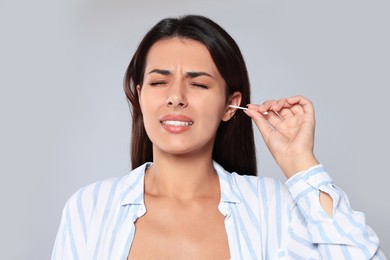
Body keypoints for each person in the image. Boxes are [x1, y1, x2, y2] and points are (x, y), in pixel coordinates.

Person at [52, 15, 386, 259]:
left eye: (198, 84)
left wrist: (300, 163)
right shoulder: (89, 208)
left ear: (231, 104)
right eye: (158, 82)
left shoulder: (275, 208)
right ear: (140, 96)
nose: (176, 97)